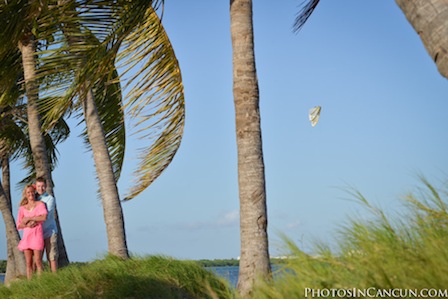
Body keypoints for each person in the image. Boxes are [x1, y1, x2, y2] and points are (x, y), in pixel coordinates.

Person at [17, 185, 48, 280]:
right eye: (28, 192)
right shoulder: (22, 208)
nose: (30, 194)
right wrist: (27, 225)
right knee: (28, 263)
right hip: (27, 237)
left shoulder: (40, 204)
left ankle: (40, 282)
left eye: (32, 192)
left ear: (34, 192)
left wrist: (31, 218)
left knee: (38, 261)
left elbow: (44, 217)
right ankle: (30, 283)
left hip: (37, 235)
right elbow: (19, 225)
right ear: (25, 195)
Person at [35, 177, 59, 272]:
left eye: (43, 186)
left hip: (50, 231)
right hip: (37, 232)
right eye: (38, 186)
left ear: (46, 186)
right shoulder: (33, 197)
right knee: (37, 258)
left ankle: (54, 278)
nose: (40, 188)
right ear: (35, 186)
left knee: (51, 256)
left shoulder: (50, 199)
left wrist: (32, 220)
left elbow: (46, 215)